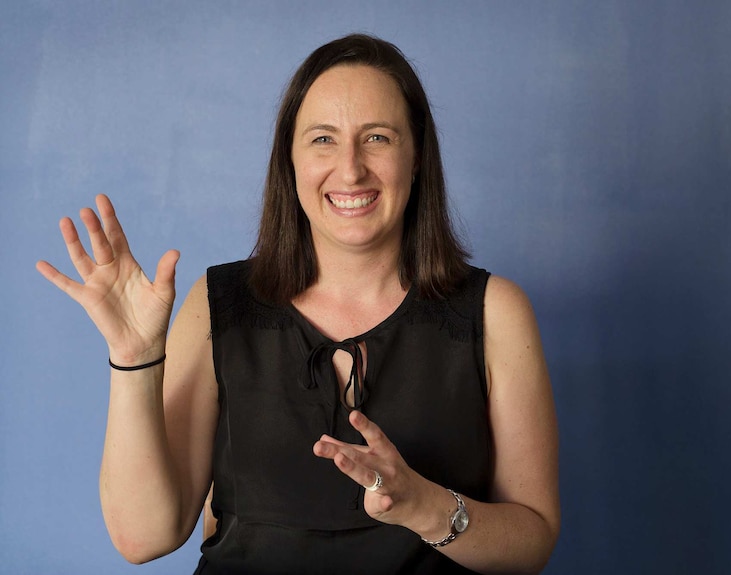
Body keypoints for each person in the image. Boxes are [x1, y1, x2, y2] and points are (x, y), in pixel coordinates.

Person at [36, 34, 559, 574]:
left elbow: (533, 540)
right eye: (323, 140)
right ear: (290, 158)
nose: (351, 169)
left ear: (417, 154)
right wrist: (136, 356)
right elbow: (143, 537)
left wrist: (424, 508)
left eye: (377, 137)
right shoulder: (218, 306)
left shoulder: (494, 312)